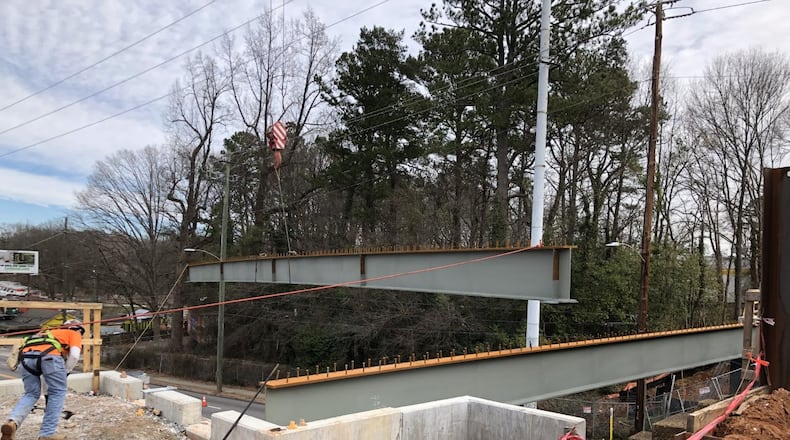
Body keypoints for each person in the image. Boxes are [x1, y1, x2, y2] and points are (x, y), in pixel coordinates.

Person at [1, 319, 84, 440]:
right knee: (58, 392)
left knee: (31, 394)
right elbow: (75, 355)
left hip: (26, 358)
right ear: (79, 330)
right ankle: (47, 434)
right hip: (49, 356)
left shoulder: (47, 333)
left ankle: (12, 423)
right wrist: (65, 371)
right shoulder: (74, 334)